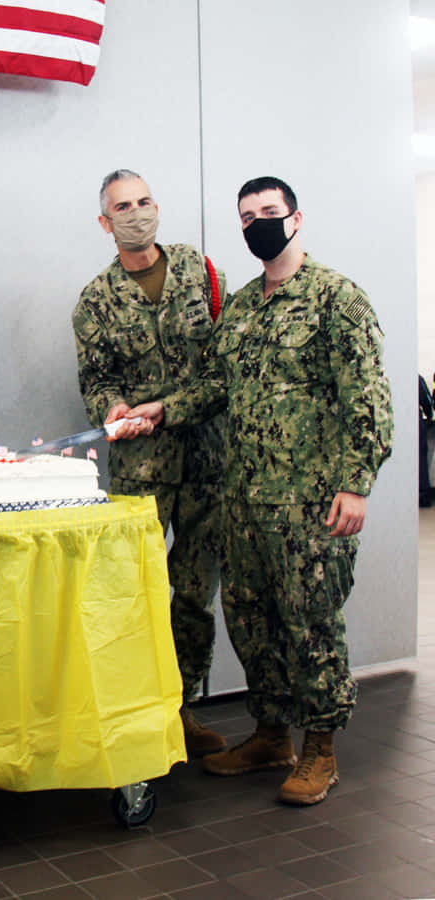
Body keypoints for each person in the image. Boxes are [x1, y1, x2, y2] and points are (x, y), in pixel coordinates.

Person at [121, 176, 394, 804]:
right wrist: (161, 409)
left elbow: (370, 399)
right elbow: (214, 385)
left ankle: (320, 751)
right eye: (247, 217)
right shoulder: (240, 306)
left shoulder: (335, 299)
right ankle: (272, 736)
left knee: (310, 624)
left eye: (269, 213)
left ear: (296, 219)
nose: (258, 225)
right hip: (242, 501)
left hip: (310, 503)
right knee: (249, 618)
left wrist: (356, 485)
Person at [72, 169, 228, 756]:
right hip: (141, 472)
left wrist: (168, 408)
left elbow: (223, 370)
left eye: (143, 202)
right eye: (122, 206)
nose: (135, 213)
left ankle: (182, 710)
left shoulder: (202, 273)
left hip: (208, 461)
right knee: (130, 591)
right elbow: (96, 380)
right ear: (105, 222)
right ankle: (131, 713)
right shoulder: (95, 301)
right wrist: (115, 408)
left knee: (193, 594)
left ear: (156, 207)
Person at [419, 374, 433, 507]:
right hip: (416, 424)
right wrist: (429, 415)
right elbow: (427, 402)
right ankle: (423, 496)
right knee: (420, 461)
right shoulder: (417, 378)